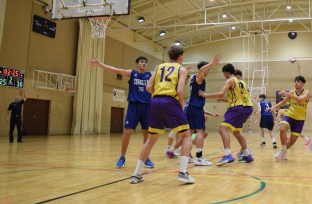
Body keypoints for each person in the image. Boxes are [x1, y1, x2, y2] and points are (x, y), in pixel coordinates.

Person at [130, 45, 195, 184]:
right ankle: (183, 172)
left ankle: (136, 174)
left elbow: (148, 87)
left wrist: (159, 95)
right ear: (181, 56)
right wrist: (180, 103)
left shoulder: (159, 67)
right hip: (170, 101)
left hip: (154, 101)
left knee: (150, 139)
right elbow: (180, 90)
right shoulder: (181, 69)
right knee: (186, 135)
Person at [87, 56, 155, 168]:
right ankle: (122, 157)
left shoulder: (150, 74)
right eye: (142, 62)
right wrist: (100, 65)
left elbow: (162, 71)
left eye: (145, 62)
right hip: (134, 105)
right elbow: (116, 70)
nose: (144, 64)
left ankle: (146, 158)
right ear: (137, 64)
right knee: (127, 131)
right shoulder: (132, 73)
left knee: (146, 133)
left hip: (147, 106)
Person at [198, 63, 254, 166]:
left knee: (222, 129)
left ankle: (228, 154)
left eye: (224, 73)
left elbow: (220, 93)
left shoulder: (230, 80)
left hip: (234, 108)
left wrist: (206, 95)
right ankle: (247, 154)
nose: (223, 75)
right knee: (237, 132)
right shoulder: (239, 81)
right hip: (242, 108)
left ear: (227, 72)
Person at [185, 55, 222, 166]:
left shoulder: (193, 78)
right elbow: (201, 69)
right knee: (201, 132)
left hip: (193, 107)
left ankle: (186, 155)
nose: (208, 72)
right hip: (195, 107)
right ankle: (199, 157)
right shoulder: (199, 76)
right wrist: (213, 63)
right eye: (208, 70)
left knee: (190, 133)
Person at [269, 76, 310, 160]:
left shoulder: (307, 93)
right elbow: (283, 102)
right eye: (295, 81)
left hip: (300, 119)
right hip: (290, 115)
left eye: (298, 81)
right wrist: (273, 107)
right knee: (282, 128)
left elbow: (299, 100)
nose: (296, 83)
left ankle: (283, 152)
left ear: (302, 83)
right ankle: (283, 148)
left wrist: (288, 94)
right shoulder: (292, 92)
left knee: (292, 140)